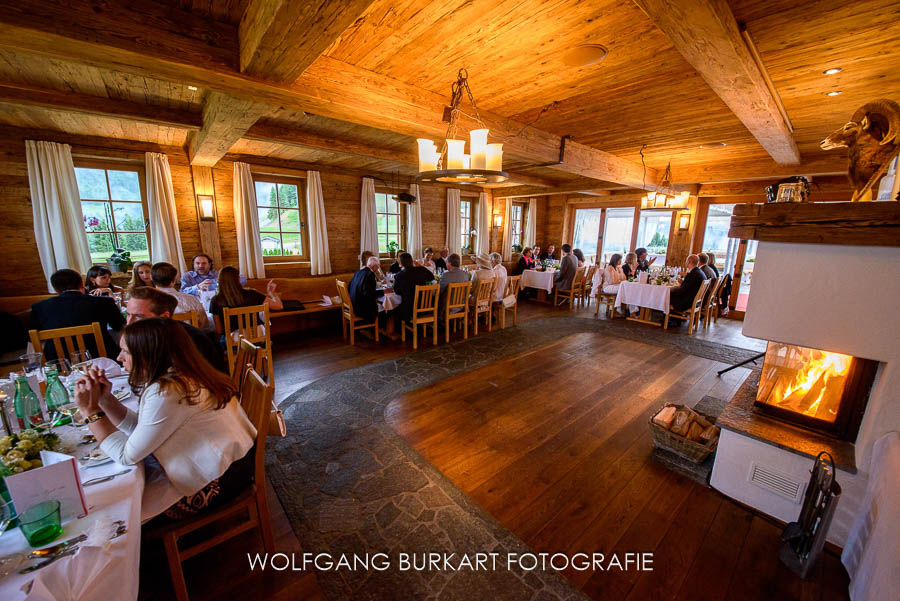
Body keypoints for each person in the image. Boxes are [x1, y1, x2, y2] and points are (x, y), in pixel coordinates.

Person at [73, 318, 256, 522]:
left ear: (149, 355)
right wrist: (105, 400)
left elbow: (126, 455)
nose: (119, 357)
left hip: (221, 480)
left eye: (126, 351)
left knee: (118, 516)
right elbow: (143, 430)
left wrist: (90, 412)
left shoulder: (169, 391)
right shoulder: (183, 375)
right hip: (233, 464)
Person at [125, 286, 226, 373]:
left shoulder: (191, 342)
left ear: (164, 317)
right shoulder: (144, 337)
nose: (129, 322)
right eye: (128, 315)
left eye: (138, 316)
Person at [31, 268, 125, 360]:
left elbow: (34, 334)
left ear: (55, 289)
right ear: (81, 284)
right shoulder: (104, 302)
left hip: (57, 360)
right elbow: (118, 325)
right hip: (101, 356)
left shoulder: (39, 307)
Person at [209, 266, 282, 338]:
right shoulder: (252, 294)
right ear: (238, 279)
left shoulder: (216, 301)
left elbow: (219, 330)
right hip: (258, 336)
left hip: (235, 341)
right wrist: (272, 293)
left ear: (220, 281)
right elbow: (279, 306)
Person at [151, 262, 211, 330]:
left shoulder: (146, 302)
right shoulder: (191, 299)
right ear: (174, 280)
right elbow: (204, 324)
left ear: (152, 279)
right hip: (188, 338)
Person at [392, 252, 434, 325]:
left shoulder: (399, 276)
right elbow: (431, 277)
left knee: (390, 311)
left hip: (409, 309)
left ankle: (398, 332)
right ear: (412, 261)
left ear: (401, 263)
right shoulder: (421, 270)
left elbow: (397, 292)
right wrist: (420, 266)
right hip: (425, 306)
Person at [667, 254, 708, 325]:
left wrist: (672, 290)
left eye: (686, 261)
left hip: (688, 302)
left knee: (665, 297)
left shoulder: (693, 274)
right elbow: (690, 286)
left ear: (688, 262)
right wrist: (682, 284)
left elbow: (682, 291)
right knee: (670, 294)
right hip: (695, 300)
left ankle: (672, 320)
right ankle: (676, 319)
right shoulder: (699, 272)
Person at [180, 254, 246, 297]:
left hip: (217, 303)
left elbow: (243, 280)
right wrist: (198, 286)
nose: (200, 266)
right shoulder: (187, 276)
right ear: (193, 264)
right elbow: (182, 292)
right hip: (197, 306)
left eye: (204, 263)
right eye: (197, 263)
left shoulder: (217, 274)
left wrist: (222, 280)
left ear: (209, 264)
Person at [348, 256, 386, 323]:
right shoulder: (370, 274)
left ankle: (370, 328)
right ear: (374, 266)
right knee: (386, 308)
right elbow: (369, 294)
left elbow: (349, 287)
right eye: (378, 266)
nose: (378, 268)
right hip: (362, 309)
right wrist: (383, 292)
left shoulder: (358, 272)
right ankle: (377, 329)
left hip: (352, 305)